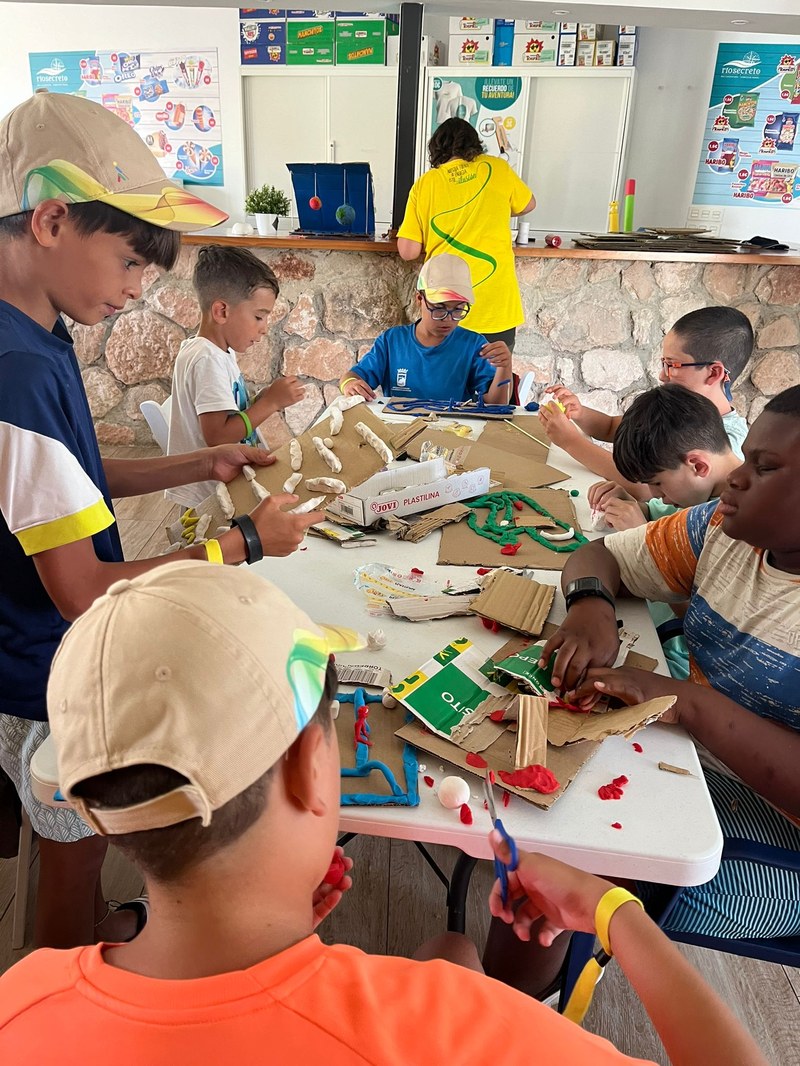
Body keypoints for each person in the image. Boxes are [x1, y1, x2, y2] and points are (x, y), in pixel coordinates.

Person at [0, 563, 766, 1066]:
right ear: (312, 769)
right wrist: (611, 910)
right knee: (454, 954)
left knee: (449, 951)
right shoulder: (447, 1025)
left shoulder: (20, 1000)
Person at [0, 90, 323, 950]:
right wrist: (242, 543)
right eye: (130, 263)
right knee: (71, 846)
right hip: (43, 661)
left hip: (33, 645)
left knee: (65, 836)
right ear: (52, 220)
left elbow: (71, 475)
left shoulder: (36, 331)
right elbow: (80, 590)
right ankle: (63, 967)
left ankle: (79, 931)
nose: (138, 290)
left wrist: (200, 463)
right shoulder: (17, 369)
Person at [540, 385, 800, 941]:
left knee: (565, 864)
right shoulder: (721, 531)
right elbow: (600, 554)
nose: (736, 478)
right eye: (745, 459)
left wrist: (688, 703)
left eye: (765, 468)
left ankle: (526, 996)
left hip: (782, 841)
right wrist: (590, 604)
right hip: (696, 754)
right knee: (544, 786)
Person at [587, 384, 742, 681]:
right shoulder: (698, 495)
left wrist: (648, 548)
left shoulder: (735, 527)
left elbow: (710, 630)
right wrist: (635, 506)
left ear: (697, 465)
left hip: (679, 663)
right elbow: (663, 513)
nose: (657, 494)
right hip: (650, 624)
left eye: (657, 483)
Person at [539, 307, 754, 490]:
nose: (662, 375)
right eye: (663, 363)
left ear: (714, 373)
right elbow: (612, 427)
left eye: (672, 365)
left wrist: (571, 442)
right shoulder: (675, 410)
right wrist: (580, 413)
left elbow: (647, 490)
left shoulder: (728, 446)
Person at [166, 246, 305, 510]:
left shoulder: (216, 351)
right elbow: (219, 436)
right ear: (222, 311)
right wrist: (270, 404)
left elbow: (227, 412)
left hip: (223, 487)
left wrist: (261, 399)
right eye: (258, 317)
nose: (264, 328)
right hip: (212, 498)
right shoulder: (207, 359)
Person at [397, 117, 535, 351]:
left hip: (446, 306)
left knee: (443, 373)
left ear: (436, 150)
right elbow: (528, 204)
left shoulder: (426, 184)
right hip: (496, 306)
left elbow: (408, 252)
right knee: (494, 374)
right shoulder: (498, 168)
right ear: (475, 144)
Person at [339, 253, 512, 405]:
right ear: (419, 299)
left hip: (453, 428)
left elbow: (496, 405)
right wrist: (350, 384)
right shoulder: (392, 341)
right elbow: (351, 376)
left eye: (458, 309)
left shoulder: (473, 345)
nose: (448, 318)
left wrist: (504, 367)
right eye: (439, 308)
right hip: (400, 428)